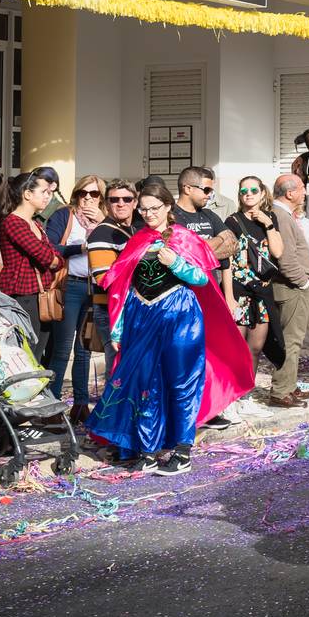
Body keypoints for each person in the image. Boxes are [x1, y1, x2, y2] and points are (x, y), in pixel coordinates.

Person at [86, 182, 251, 474]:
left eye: (154, 208)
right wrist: (118, 328)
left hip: (180, 317)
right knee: (145, 385)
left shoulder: (184, 238)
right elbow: (123, 286)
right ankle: (149, 451)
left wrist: (176, 263)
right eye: (144, 209)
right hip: (141, 318)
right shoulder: (138, 240)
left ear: (167, 208)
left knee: (181, 383)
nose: (148, 214)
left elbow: (201, 279)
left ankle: (183, 452)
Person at [43, 175, 105, 417]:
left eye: (94, 194)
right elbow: (49, 247)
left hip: (95, 288)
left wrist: (102, 222)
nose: (88, 198)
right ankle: (53, 407)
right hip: (71, 286)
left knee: (85, 349)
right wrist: (80, 247)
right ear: (76, 194)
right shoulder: (64, 215)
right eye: (83, 193)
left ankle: (80, 405)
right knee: (62, 349)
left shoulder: (104, 218)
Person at [0, 171, 63, 354]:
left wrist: (55, 259)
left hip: (40, 294)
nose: (48, 196)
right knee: (27, 353)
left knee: (39, 352)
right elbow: (46, 257)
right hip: (21, 294)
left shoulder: (36, 223)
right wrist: (54, 259)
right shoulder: (13, 222)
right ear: (27, 194)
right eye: (44, 192)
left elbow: (56, 258)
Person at [267, 175, 309, 409]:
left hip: (292, 285)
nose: (305, 192)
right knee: (291, 340)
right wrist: (303, 282)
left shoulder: (282, 215)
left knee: (293, 339)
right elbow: (285, 257)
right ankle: (281, 390)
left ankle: (289, 384)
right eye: (302, 188)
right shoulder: (282, 217)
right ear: (290, 193)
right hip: (291, 287)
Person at [224, 176, 282, 359]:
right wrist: (229, 297)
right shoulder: (232, 221)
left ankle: (248, 388)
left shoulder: (271, 218)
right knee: (236, 347)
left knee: (255, 348)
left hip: (262, 292)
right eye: (244, 191)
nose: (248, 195)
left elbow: (278, 252)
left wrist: (269, 225)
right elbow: (227, 262)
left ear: (262, 193)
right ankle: (235, 388)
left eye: (253, 191)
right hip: (239, 290)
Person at [86, 179, 138, 375]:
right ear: (106, 204)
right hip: (111, 311)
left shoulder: (132, 230)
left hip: (131, 308)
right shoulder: (102, 234)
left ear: (135, 201)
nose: (121, 203)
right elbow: (105, 280)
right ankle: (112, 406)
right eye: (114, 199)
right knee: (117, 369)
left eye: (127, 198)